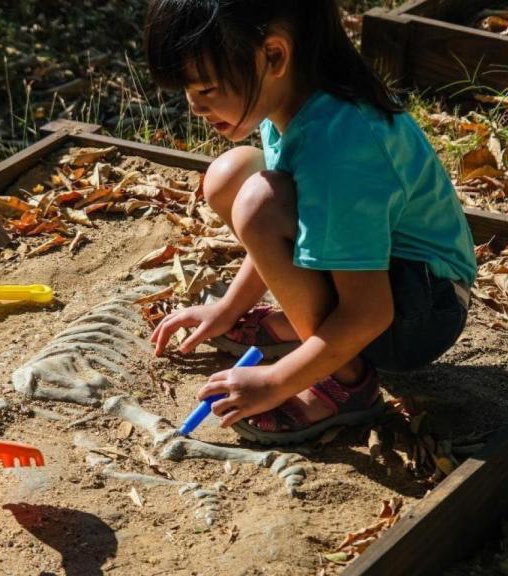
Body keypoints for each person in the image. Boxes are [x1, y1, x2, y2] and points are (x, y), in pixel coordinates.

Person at [145, 0, 476, 445]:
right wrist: (228, 309)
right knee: (231, 176)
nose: (195, 106)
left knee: (259, 201)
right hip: (385, 278)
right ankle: (307, 328)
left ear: (273, 55)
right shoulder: (293, 97)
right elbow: (286, 229)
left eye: (206, 88)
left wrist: (276, 380)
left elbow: (369, 312)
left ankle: (346, 383)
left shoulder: (341, 146)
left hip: (420, 312)